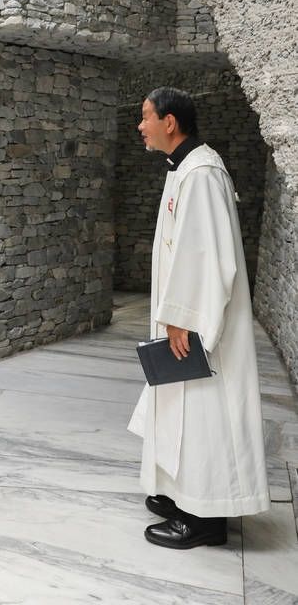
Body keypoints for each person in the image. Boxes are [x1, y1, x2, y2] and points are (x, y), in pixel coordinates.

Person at [128, 86, 269, 549]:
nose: (141, 126)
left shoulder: (202, 173)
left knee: (204, 413)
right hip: (184, 318)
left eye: (146, 117)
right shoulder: (184, 167)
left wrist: (183, 317)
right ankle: (183, 494)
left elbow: (208, 255)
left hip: (200, 325)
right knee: (181, 409)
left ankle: (207, 519)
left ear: (170, 122)